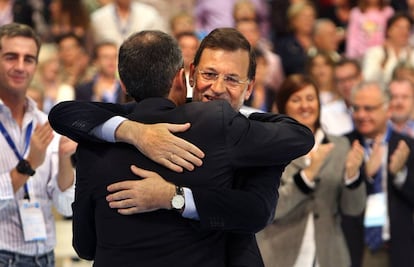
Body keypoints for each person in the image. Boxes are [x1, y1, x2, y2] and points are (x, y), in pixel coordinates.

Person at [49, 29, 315, 266]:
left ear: (250, 88)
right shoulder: (133, 122)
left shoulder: (251, 135)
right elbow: (64, 113)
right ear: (189, 74)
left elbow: (257, 212)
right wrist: (134, 132)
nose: (218, 88)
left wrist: (173, 197)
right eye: (209, 74)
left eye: (232, 79)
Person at [257, 74, 366, 267]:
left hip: (330, 255)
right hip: (278, 254)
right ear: (283, 106)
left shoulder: (340, 146)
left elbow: (353, 208)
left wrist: (352, 177)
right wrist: (306, 176)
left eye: (310, 98)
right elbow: (269, 209)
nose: (305, 106)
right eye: (296, 100)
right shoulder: (269, 147)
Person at [0, 23, 76, 267]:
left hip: (44, 257)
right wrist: (30, 163)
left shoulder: (45, 122)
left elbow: (64, 205)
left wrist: (66, 158)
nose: (21, 66)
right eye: (11, 57)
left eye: (29, 59)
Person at [342, 81, 414, 267]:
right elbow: (336, 199)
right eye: (356, 108)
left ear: (388, 109)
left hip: (400, 248)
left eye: (369, 108)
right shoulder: (343, 145)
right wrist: (363, 175)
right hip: (356, 247)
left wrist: (399, 174)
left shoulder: (407, 146)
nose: (361, 115)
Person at [320, 57, 363, 135]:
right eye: (341, 80)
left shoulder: (378, 108)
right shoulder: (326, 114)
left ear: (361, 77)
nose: (346, 85)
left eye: (350, 78)